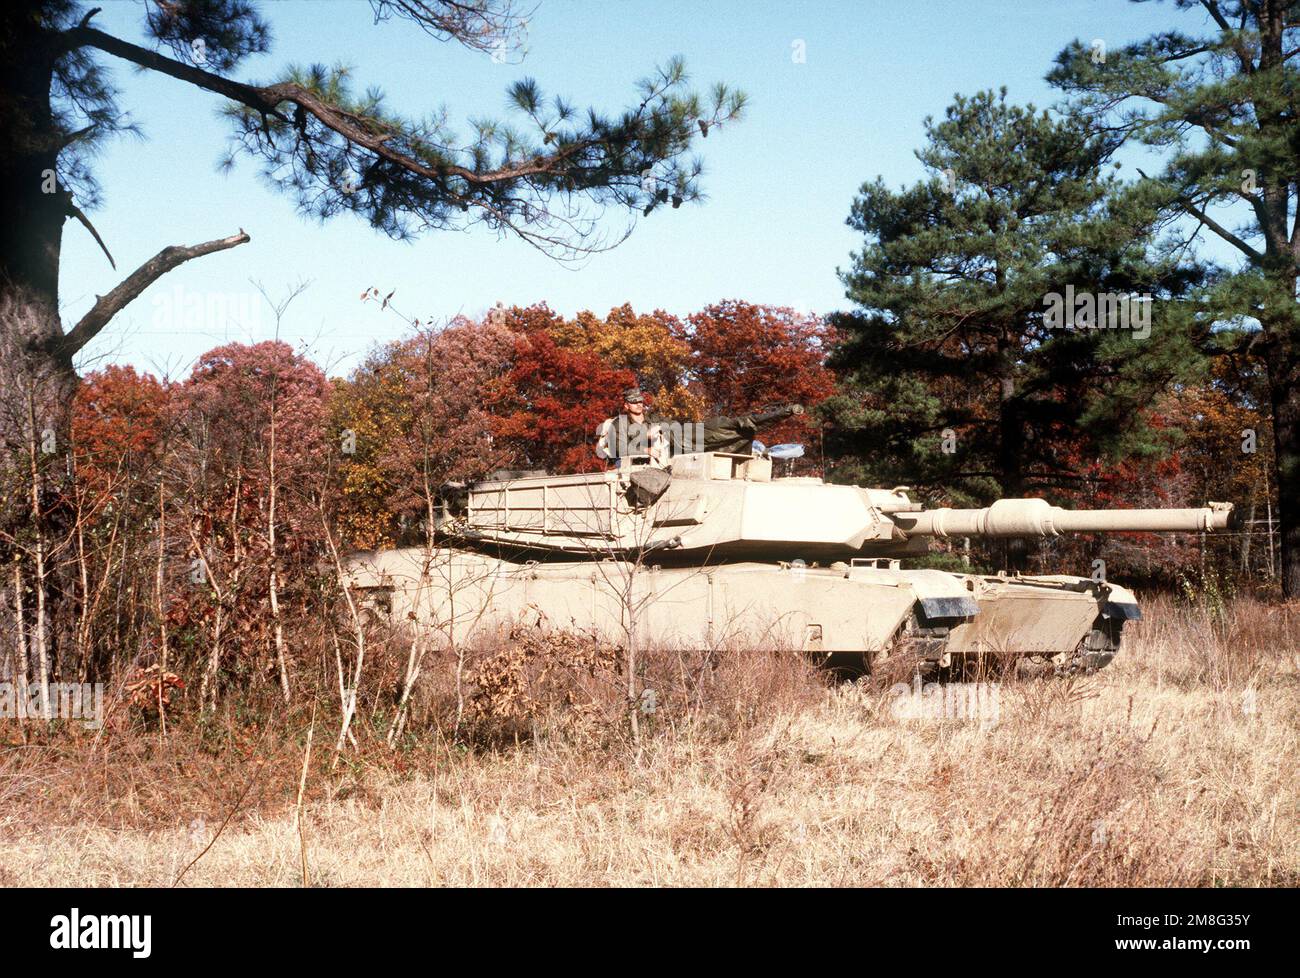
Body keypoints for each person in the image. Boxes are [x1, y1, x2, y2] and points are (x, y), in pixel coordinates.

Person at [595, 387, 670, 467]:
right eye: (634, 402)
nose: (638, 404)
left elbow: (673, 425)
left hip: (656, 464)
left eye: (640, 401)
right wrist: (645, 445)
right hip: (628, 466)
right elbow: (621, 450)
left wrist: (661, 427)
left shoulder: (652, 418)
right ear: (626, 406)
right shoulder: (619, 424)